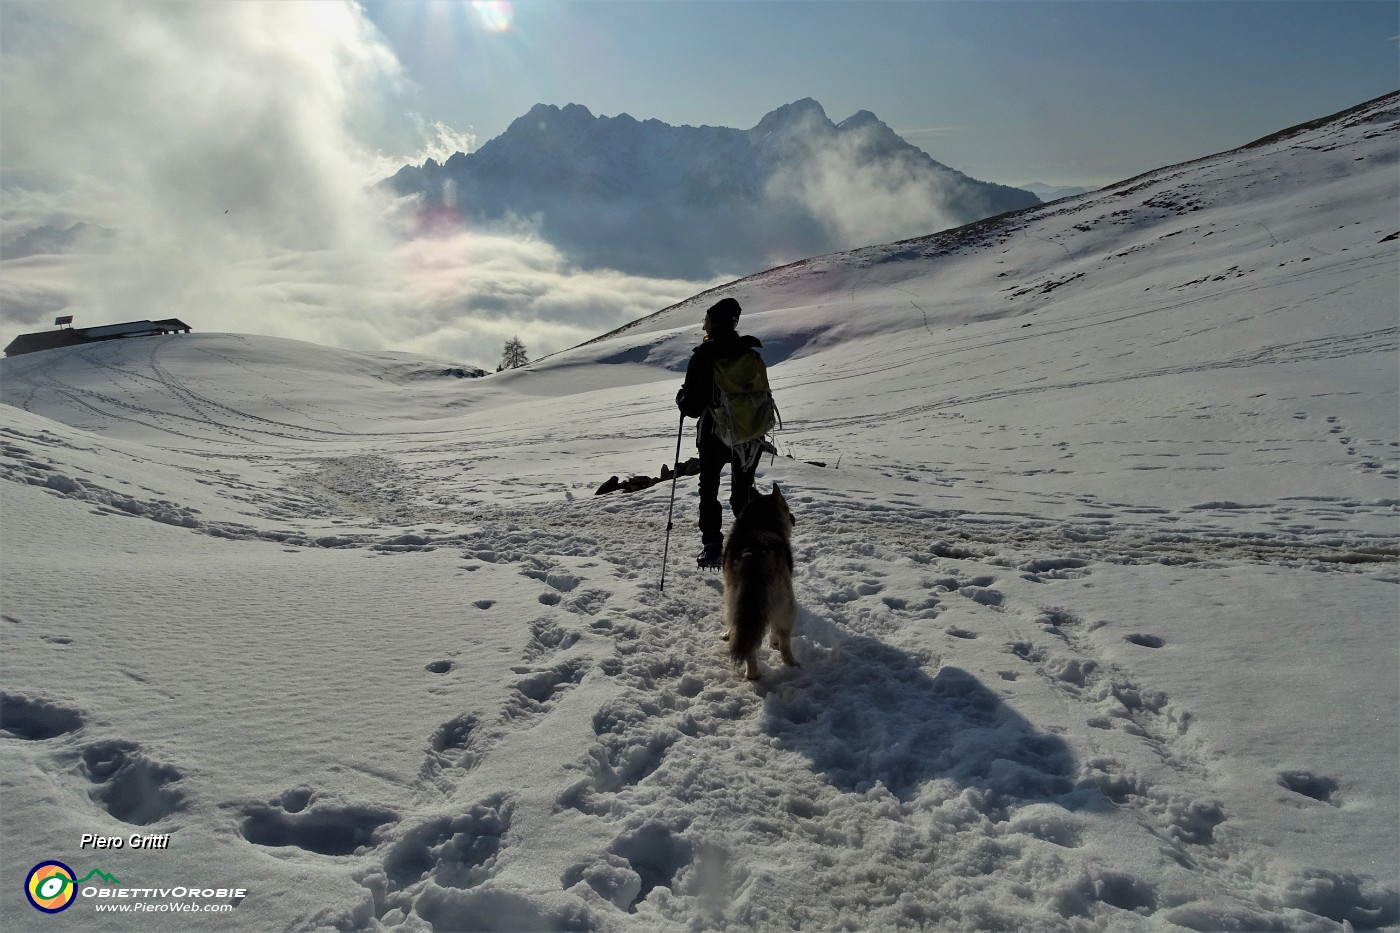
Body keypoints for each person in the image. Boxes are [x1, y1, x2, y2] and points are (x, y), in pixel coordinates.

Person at [676, 296, 764, 568]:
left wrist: (680, 399)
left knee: (709, 489)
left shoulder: (705, 356)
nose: (704, 327)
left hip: (714, 433)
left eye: (706, 321)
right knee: (742, 491)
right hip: (749, 434)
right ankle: (752, 545)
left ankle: (713, 548)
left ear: (714, 323)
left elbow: (692, 406)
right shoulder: (750, 353)